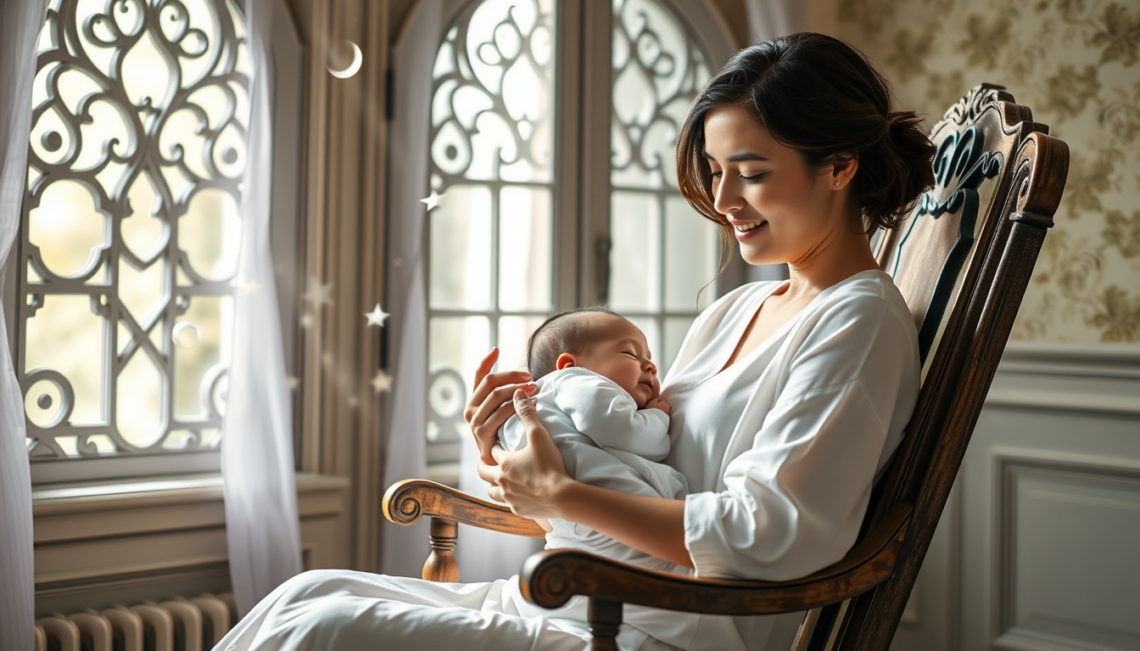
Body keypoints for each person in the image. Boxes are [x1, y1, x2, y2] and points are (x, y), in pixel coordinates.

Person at [212, 32, 934, 651]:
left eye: (750, 173)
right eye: (715, 172)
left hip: (667, 628)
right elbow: (638, 480)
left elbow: (768, 534)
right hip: (597, 596)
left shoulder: (859, 322)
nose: (721, 201)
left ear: (840, 167)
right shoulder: (735, 308)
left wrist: (560, 492)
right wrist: (528, 456)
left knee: (324, 631)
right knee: (307, 592)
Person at [498, 307, 688, 573]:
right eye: (630, 354)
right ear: (569, 365)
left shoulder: (544, 401)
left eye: (649, 358)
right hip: (614, 518)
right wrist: (657, 417)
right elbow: (627, 434)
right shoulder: (575, 380)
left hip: (572, 529)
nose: (651, 366)